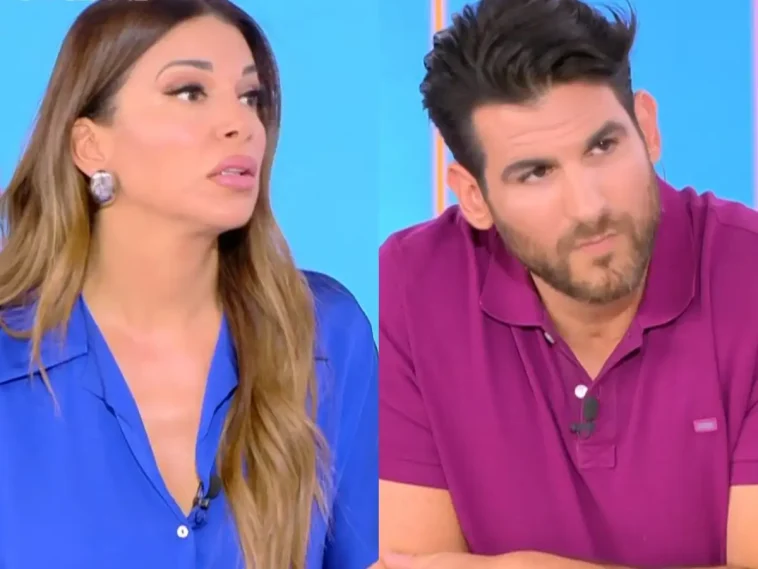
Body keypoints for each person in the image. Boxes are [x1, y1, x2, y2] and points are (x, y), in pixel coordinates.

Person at [377, 0, 758, 568]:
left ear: (647, 128)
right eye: (536, 173)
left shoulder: (749, 272)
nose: (589, 207)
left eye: (603, 147)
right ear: (474, 196)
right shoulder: (415, 283)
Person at [0, 1, 377, 568]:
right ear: (90, 145)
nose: (242, 124)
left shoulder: (325, 333)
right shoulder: (11, 353)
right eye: (189, 92)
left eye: (250, 97)